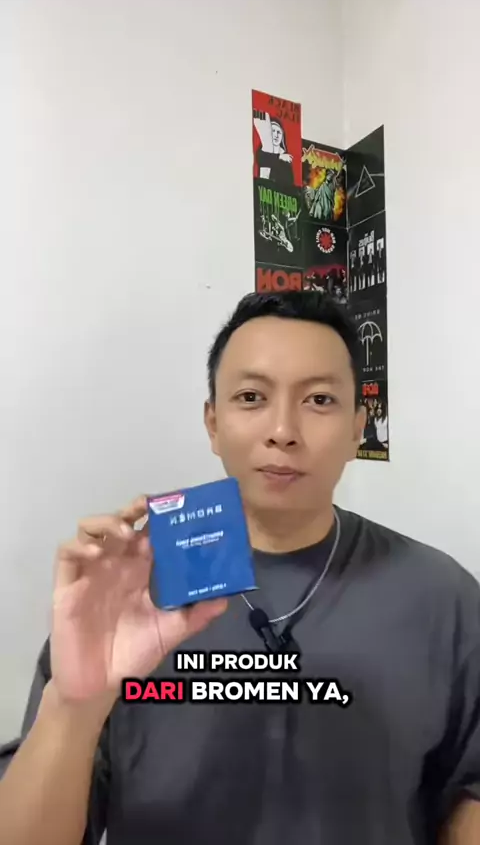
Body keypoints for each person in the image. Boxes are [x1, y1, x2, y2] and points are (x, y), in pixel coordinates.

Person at [0, 290, 479, 845]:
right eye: (251, 397)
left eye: (319, 400)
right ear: (213, 423)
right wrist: (76, 708)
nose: (283, 430)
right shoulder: (128, 596)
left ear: (357, 428)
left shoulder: (440, 596)